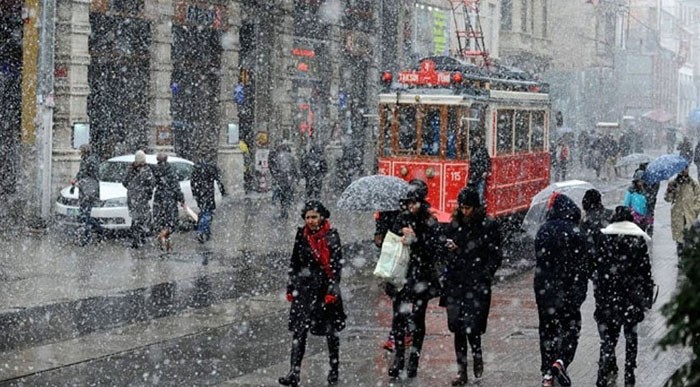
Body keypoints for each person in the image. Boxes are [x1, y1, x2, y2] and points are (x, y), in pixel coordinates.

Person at [280, 201, 346, 387]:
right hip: (304, 290)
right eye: (308, 217)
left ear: (321, 217)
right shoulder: (301, 235)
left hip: (325, 290)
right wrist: (291, 286)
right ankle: (294, 372)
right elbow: (294, 262)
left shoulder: (332, 236)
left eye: (314, 217)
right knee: (299, 332)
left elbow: (337, 265)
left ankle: (334, 369)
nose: (310, 221)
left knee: (330, 332)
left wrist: (333, 289)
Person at [442, 187, 502, 385]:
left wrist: (485, 273)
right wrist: (449, 249)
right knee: (457, 327)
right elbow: (445, 248)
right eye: (462, 207)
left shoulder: (487, 226)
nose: (464, 211)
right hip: (456, 283)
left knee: (472, 326)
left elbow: (494, 254)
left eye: (468, 207)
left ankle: (477, 355)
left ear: (475, 208)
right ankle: (462, 370)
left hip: (476, 283)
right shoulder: (455, 224)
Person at [593, 206, 654, 387]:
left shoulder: (604, 238)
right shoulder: (637, 239)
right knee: (630, 336)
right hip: (631, 299)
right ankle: (629, 371)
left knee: (608, 338)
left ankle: (603, 371)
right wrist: (645, 295)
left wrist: (600, 294)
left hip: (608, 298)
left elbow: (598, 268)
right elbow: (645, 272)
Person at [534, 193, 590, 387]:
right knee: (571, 329)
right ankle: (561, 361)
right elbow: (584, 266)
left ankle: (547, 374)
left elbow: (540, 262)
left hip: (546, 293)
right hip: (569, 291)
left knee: (547, 331)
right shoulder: (577, 232)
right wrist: (579, 292)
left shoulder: (543, 231)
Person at [387, 184, 443, 379]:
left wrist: (416, 240)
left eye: (415, 203)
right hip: (401, 275)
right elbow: (391, 243)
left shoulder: (429, 221)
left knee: (418, 319)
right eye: (409, 203)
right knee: (398, 318)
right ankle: (399, 358)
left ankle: (414, 360)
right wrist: (400, 237)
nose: (412, 206)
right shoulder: (401, 219)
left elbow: (434, 249)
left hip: (421, 276)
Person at [375, 179, 429, 352]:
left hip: (413, 271)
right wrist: (385, 234)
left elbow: (431, 246)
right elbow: (387, 225)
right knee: (398, 305)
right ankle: (400, 336)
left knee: (406, 308)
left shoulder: (425, 219)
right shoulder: (396, 210)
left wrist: (414, 239)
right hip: (396, 264)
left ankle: (403, 336)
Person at [152, 153, 184, 252]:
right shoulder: (170, 171)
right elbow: (176, 187)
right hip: (169, 199)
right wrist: (181, 199)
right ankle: (164, 238)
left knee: (160, 222)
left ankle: (165, 244)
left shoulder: (155, 170)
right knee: (170, 223)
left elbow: (152, 184)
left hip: (159, 199)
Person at [123, 150, 155, 249]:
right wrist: (147, 194)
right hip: (141, 198)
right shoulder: (146, 170)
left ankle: (136, 239)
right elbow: (151, 185)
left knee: (135, 218)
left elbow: (124, 182)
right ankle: (140, 238)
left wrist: (132, 189)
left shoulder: (130, 169)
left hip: (132, 197)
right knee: (142, 218)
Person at [664, 167, 700, 255]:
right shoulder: (673, 183)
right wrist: (670, 190)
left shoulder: (693, 184)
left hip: (690, 217)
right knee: (680, 243)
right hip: (678, 217)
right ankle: (681, 264)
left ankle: (688, 264)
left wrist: (694, 211)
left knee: (690, 243)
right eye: (682, 169)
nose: (683, 171)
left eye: (686, 168)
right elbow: (668, 199)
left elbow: (699, 199)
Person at [191, 156, 226, 243]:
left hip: (200, 193)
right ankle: (201, 231)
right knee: (207, 213)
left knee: (203, 211)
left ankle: (207, 232)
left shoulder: (197, 168)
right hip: (208, 193)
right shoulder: (210, 168)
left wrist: (195, 193)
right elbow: (218, 179)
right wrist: (222, 190)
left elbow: (192, 182)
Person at [71, 144, 101, 246]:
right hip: (86, 191)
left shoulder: (89, 161)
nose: (80, 153)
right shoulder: (87, 160)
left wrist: (79, 180)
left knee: (85, 214)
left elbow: (84, 174)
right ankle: (98, 229)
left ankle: (87, 237)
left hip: (88, 192)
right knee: (84, 214)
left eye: (81, 151)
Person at [270, 143, 298, 219]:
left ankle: (281, 208)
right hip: (289, 179)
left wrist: (275, 176)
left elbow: (274, 167)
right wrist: (296, 176)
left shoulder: (278, 156)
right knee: (287, 195)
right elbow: (294, 168)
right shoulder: (291, 157)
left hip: (281, 179)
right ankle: (285, 210)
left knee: (282, 195)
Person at [634, 162, 660, 236]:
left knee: (644, 213)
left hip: (646, 199)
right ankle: (648, 228)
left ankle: (647, 228)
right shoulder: (653, 175)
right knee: (649, 213)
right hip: (648, 199)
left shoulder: (651, 175)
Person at [468, 133, 491, 204]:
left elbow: (487, 161)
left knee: (480, 193)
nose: (476, 140)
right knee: (475, 194)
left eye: (477, 139)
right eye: (475, 139)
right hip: (475, 175)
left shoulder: (482, 149)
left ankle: (478, 208)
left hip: (479, 175)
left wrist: (485, 171)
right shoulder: (473, 149)